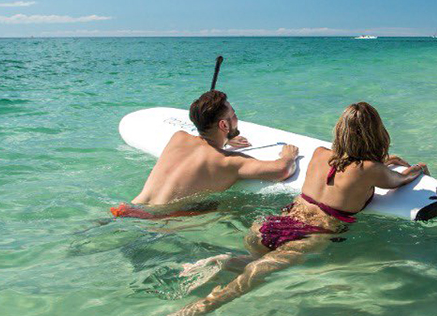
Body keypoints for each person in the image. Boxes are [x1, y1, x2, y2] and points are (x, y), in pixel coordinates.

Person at [71, 102, 428, 316]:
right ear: (376, 133)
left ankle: (226, 258)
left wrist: (381, 164)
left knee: (252, 262)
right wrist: (412, 168)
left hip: (272, 224)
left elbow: (352, 167)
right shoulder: (371, 169)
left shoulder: (320, 153)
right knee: (224, 296)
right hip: (311, 233)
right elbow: (398, 180)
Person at [108, 90, 298, 219]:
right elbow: (282, 170)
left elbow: (202, 143)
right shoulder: (229, 162)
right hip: (154, 223)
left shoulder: (178, 138)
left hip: (126, 209)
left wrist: (225, 139)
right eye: (233, 115)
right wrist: (288, 156)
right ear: (223, 125)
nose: (236, 118)